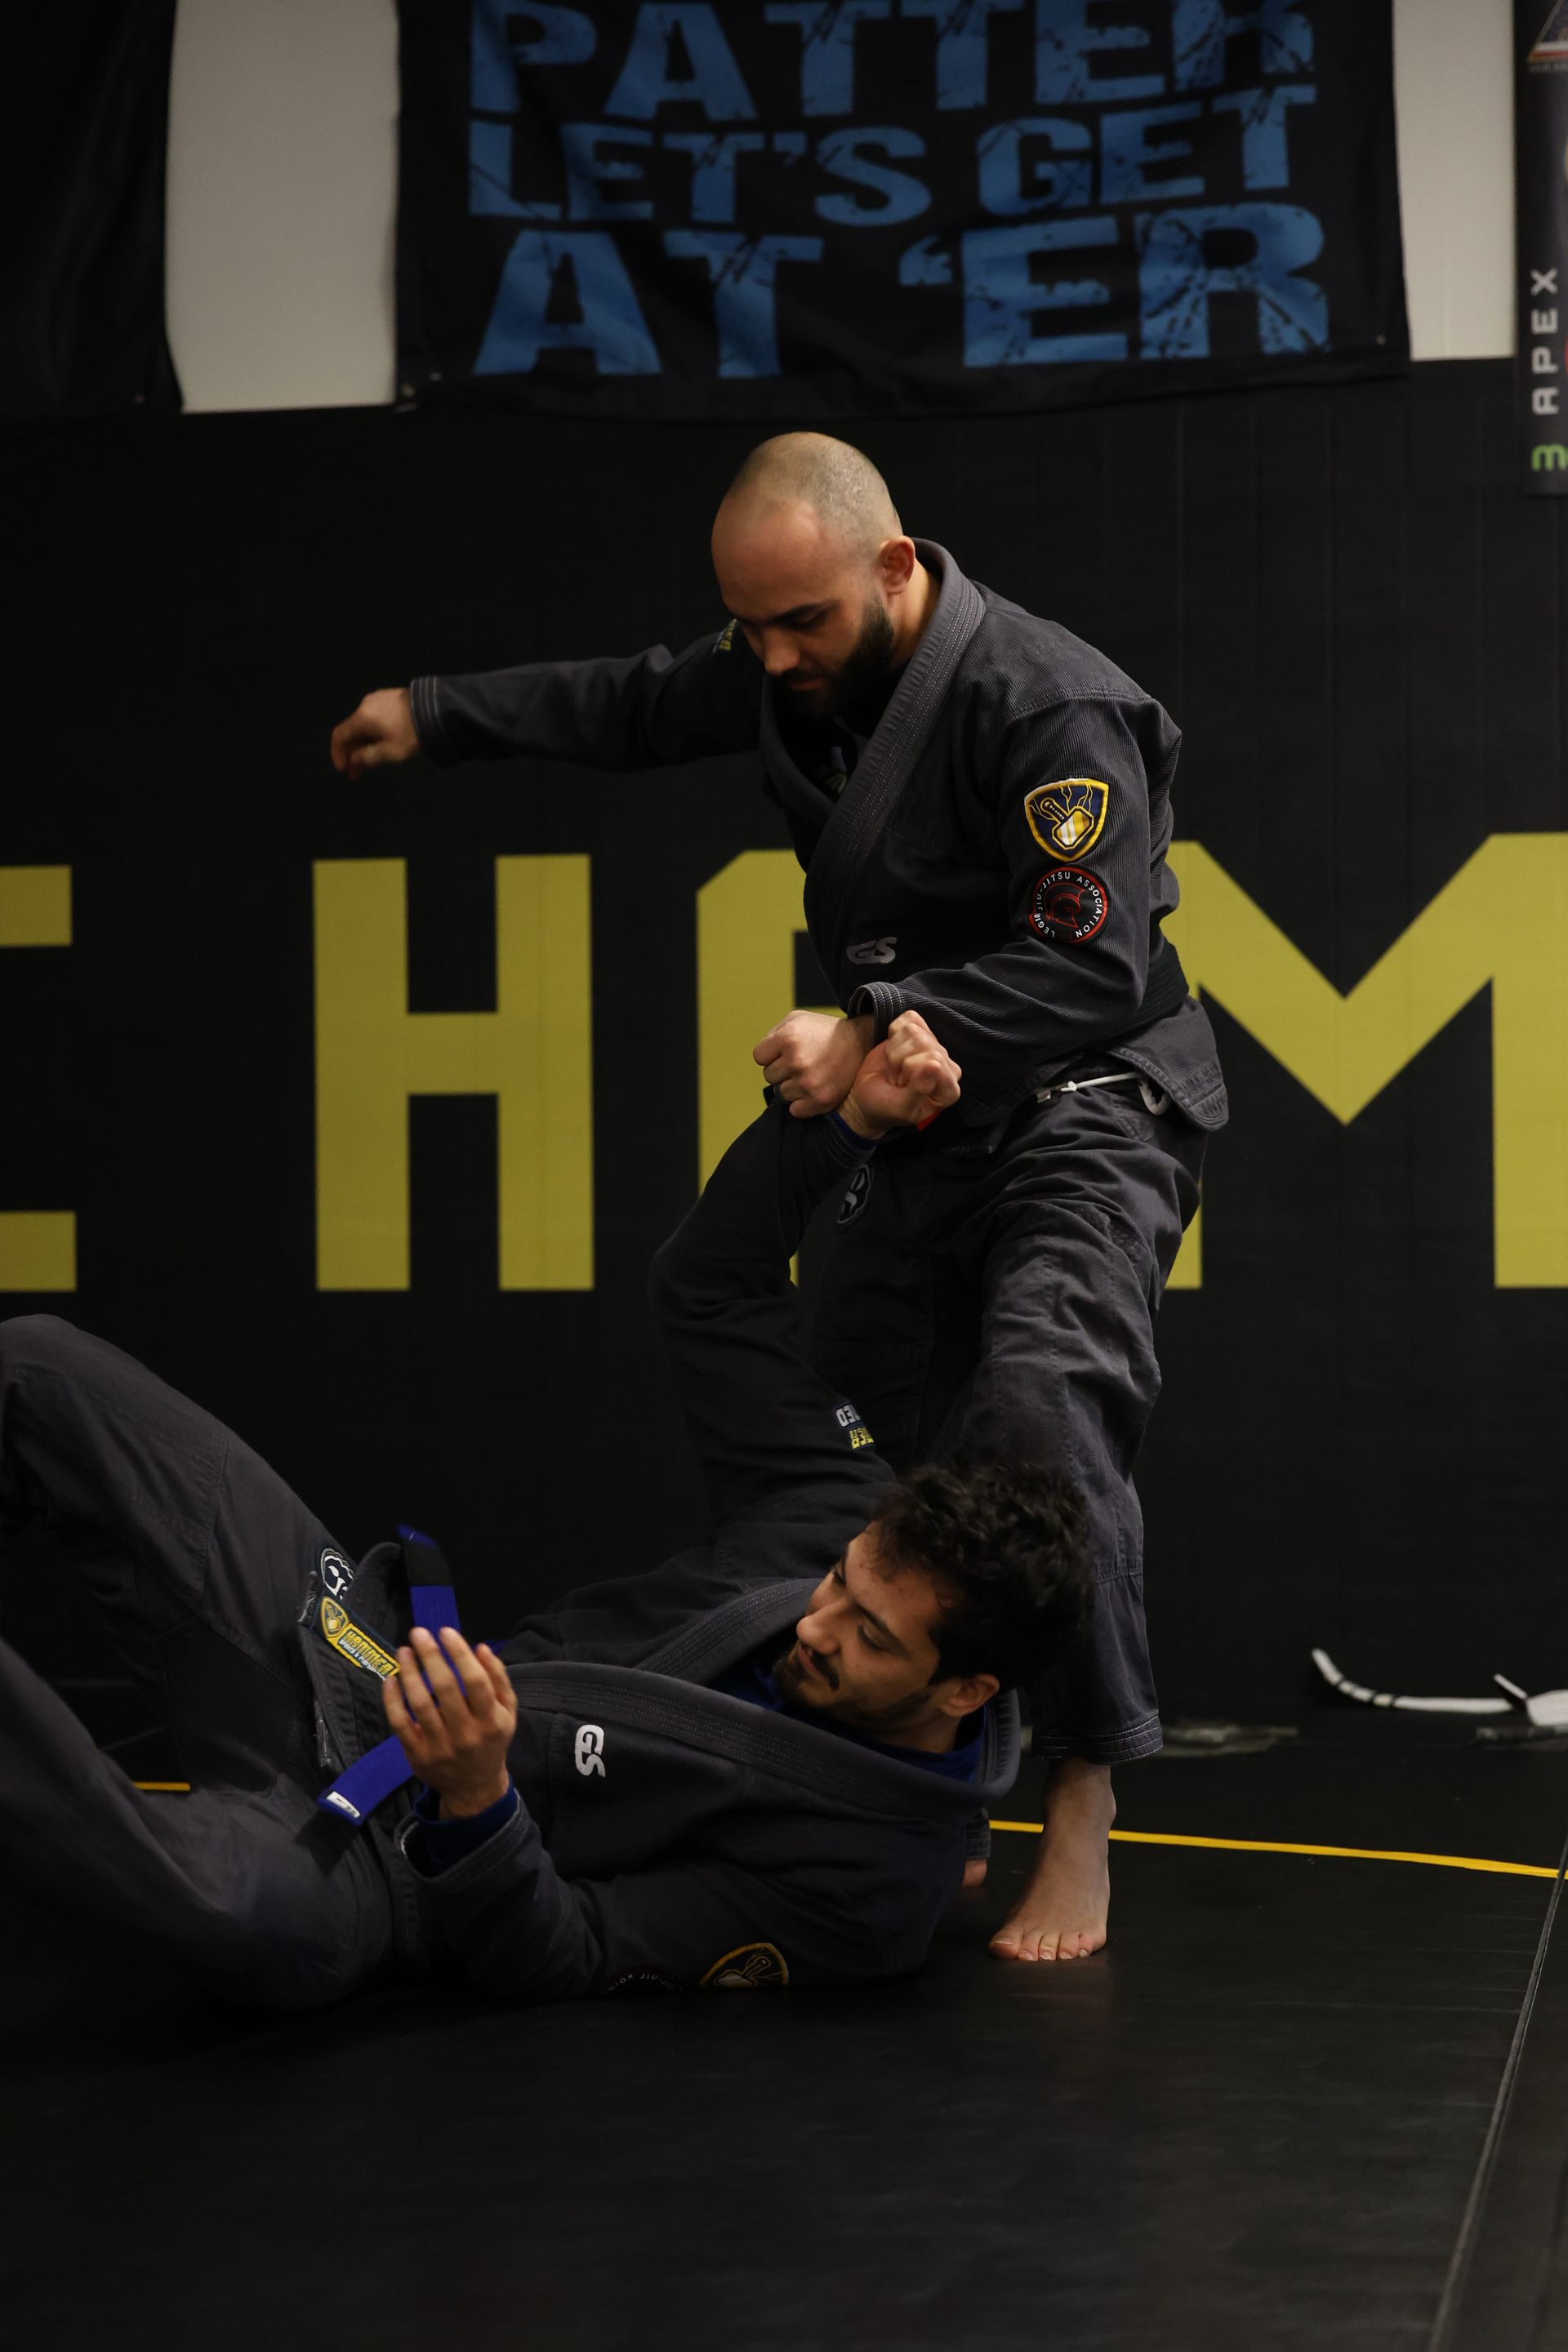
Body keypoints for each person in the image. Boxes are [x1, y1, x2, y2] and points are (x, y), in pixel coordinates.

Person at [330, 433, 1228, 1963]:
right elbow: (629, 699)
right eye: (750, 627)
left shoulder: (1043, 700)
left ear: (897, 568)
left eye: (802, 620)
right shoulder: (785, 660)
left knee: (1038, 1407)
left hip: (1086, 1097)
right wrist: (436, 714)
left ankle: (1084, 1788)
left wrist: (876, 1025)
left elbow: (1085, 965)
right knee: (875, 1432)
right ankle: (923, 1780)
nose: (775, 656)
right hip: (916, 1111)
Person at [0, 1014, 1093, 2010]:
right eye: (842, 1582)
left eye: (870, 1637)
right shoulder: (834, 1504)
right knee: (44, 1375)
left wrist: (477, 1797)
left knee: (221, 1907)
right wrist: (844, 1126)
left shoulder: (873, 1884)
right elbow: (711, 1287)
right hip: (363, 1657)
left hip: (391, 1871)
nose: (819, 1624)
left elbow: (563, 1950)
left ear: (967, 1687)